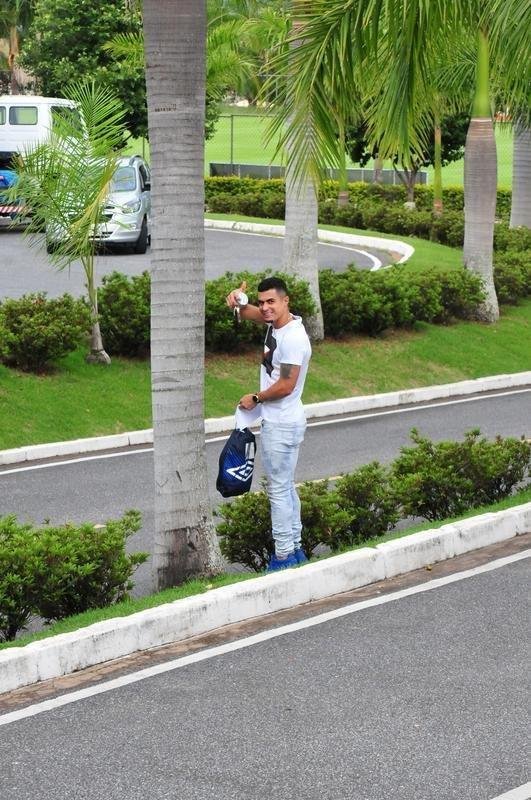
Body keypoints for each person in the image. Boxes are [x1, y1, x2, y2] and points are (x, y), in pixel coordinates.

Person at [226, 276, 312, 572]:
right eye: (262, 302)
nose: (264, 307)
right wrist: (238, 301)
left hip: (282, 423)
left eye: (271, 302)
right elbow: (250, 313)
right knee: (285, 487)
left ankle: (283, 557)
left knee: (278, 490)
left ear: (286, 301)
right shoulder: (276, 324)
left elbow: (287, 385)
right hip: (283, 420)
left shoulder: (293, 338)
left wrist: (256, 398)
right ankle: (296, 550)